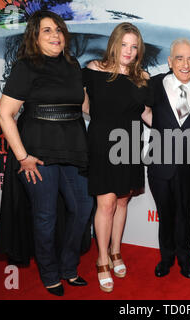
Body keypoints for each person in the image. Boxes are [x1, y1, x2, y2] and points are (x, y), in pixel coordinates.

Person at [0, 10, 94, 297]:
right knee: (45, 215)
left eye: (59, 30)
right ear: (35, 37)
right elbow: (5, 113)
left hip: (74, 148)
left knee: (83, 209)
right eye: (47, 31)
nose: (55, 36)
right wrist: (23, 157)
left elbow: (86, 107)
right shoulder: (26, 67)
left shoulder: (73, 65)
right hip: (37, 152)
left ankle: (68, 266)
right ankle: (50, 273)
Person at [82, 22, 152, 293]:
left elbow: (146, 113)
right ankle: (101, 259)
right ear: (114, 43)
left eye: (134, 46)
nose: (129, 50)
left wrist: (175, 131)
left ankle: (115, 251)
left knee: (122, 201)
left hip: (131, 143)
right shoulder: (94, 70)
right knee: (106, 203)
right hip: (102, 143)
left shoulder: (142, 77)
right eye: (124, 44)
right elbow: (84, 104)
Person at [148, 39, 190, 279]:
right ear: (170, 61)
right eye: (179, 58)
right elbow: (140, 110)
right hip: (160, 164)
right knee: (165, 214)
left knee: (185, 213)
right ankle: (166, 259)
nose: (185, 64)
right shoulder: (153, 84)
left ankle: (185, 259)